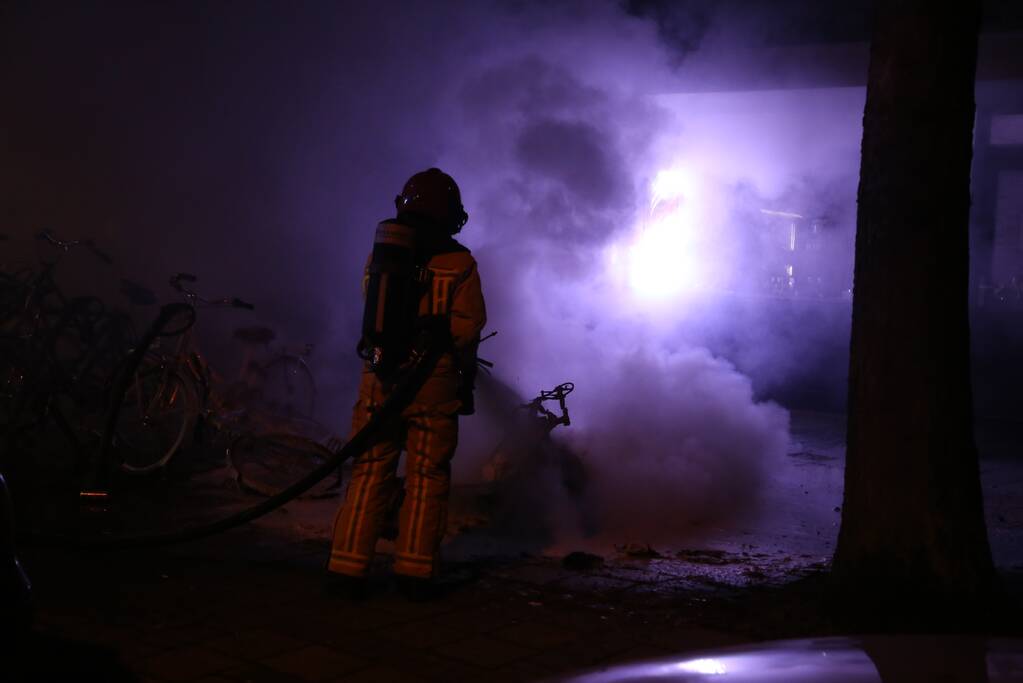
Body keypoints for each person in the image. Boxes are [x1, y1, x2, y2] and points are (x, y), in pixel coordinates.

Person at [327, 169, 486, 600]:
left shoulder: (384, 253)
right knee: (426, 475)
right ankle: (414, 572)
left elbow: (370, 303)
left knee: (369, 470)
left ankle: (347, 567)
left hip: (379, 380)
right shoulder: (461, 264)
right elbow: (468, 328)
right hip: (432, 387)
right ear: (452, 216)